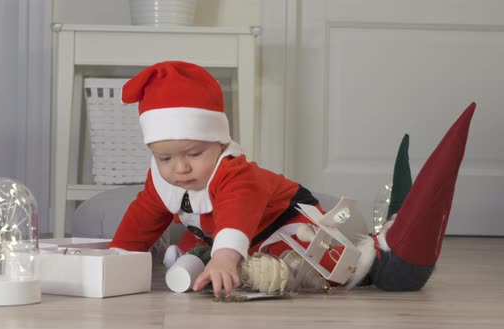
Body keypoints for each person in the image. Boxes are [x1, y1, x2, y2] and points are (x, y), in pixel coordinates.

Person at [107, 60, 476, 298]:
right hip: (227, 235)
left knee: (307, 267)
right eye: (165, 158)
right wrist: (118, 256)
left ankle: (373, 255)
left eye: (193, 154)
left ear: (219, 142)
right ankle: (202, 259)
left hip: (284, 221)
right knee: (198, 248)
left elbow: (238, 213)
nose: (180, 169)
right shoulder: (164, 177)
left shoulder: (234, 173)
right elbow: (144, 215)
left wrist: (224, 256)